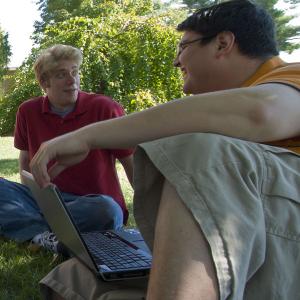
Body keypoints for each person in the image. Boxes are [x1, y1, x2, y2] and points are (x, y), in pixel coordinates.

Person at [31, 0, 300, 299]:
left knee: (199, 151)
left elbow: (263, 112)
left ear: (222, 43)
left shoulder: (292, 76)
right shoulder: (225, 114)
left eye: (183, 47)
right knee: (72, 277)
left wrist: (87, 137)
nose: (175, 61)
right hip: (243, 252)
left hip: (277, 249)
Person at [0, 44, 134, 253]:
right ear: (44, 82)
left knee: (107, 210)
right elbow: (25, 162)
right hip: (47, 201)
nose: (72, 81)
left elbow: (131, 162)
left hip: (91, 204)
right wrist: (33, 191)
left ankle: (32, 230)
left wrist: (150, 213)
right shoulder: (28, 111)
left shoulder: (104, 108)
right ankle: (48, 235)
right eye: (62, 74)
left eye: (75, 72)